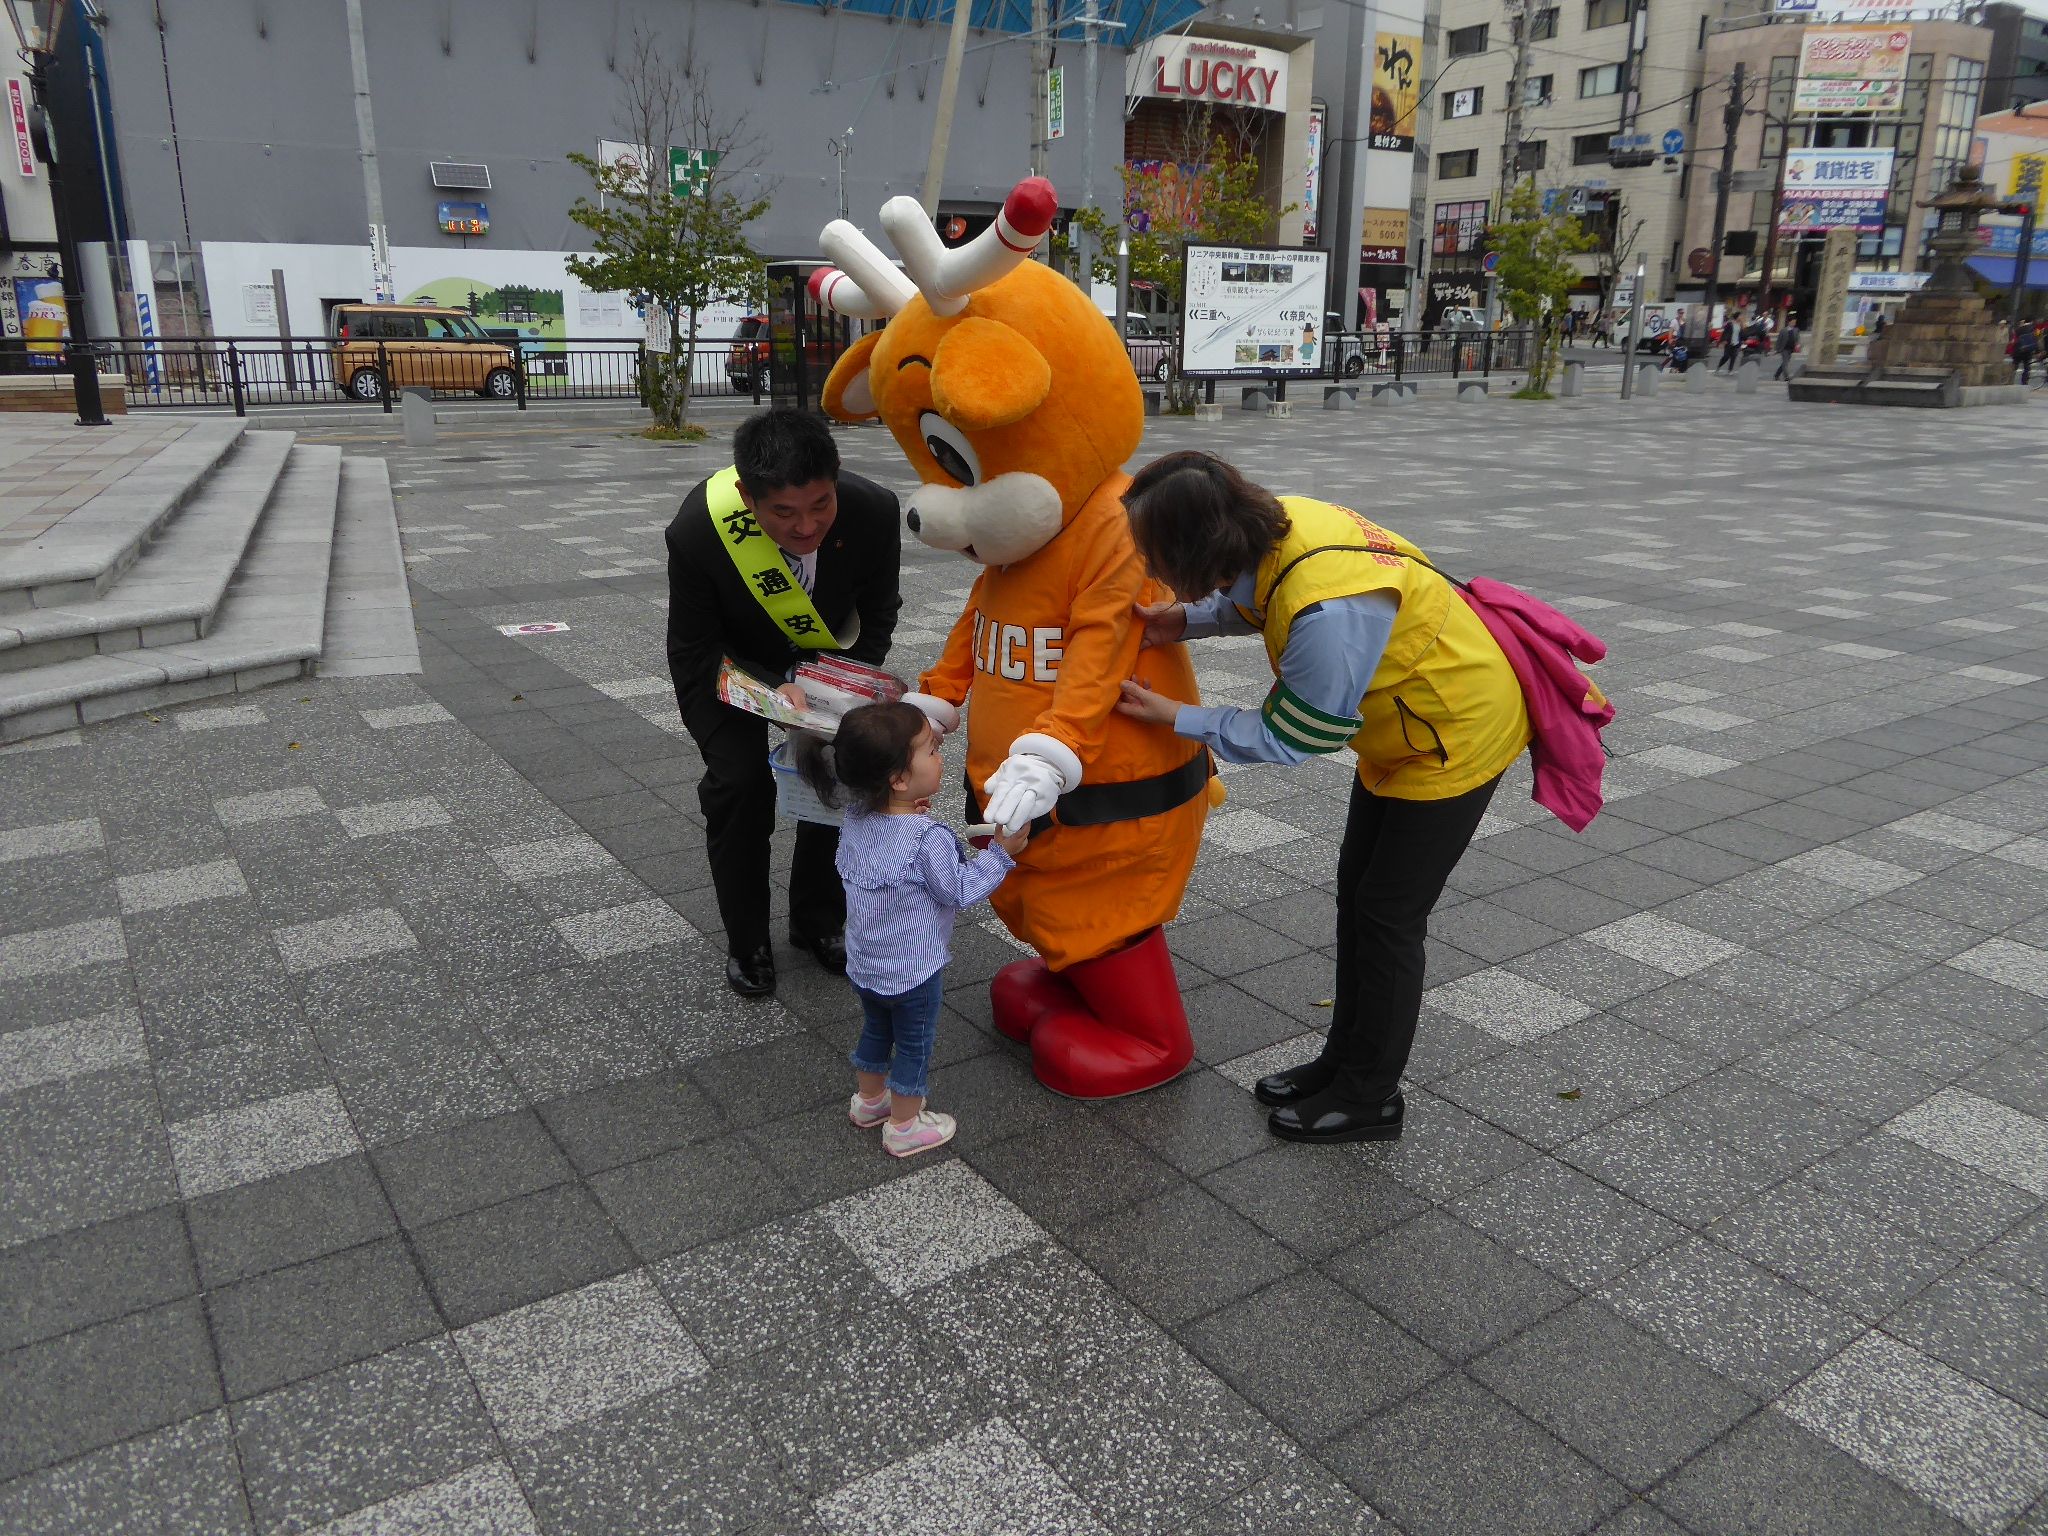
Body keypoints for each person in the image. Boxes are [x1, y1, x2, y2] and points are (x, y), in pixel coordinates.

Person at [1113, 453, 1536, 1144]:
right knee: (1358, 896)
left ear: (1195, 546)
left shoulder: (1326, 612)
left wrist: (1177, 717)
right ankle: (1343, 1062)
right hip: (1405, 722)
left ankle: (1371, 1097)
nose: (1148, 563)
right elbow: (1253, 591)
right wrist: (1183, 623)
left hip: (1455, 730)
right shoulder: (1279, 525)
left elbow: (1296, 734)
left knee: (1389, 918)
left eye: (1155, 551)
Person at [665, 408, 902, 998]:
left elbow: (877, 615)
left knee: (839, 767)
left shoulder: (874, 509)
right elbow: (699, 646)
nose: (806, 527)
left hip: (822, 664)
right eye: (784, 513)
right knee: (740, 783)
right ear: (747, 496)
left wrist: (843, 689)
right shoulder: (699, 529)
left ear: (837, 475)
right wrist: (771, 687)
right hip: (732, 667)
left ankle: (817, 920)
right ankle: (747, 940)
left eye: (821, 505)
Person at [795, 702, 1028, 1157]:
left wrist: (909, 809)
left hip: (866, 961)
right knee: (914, 1045)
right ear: (899, 779)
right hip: (914, 969)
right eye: (930, 750)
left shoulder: (856, 818)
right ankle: (904, 1125)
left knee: (876, 1031)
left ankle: (869, 1102)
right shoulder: (926, 838)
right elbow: (956, 891)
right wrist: (1002, 853)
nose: (941, 757)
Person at [2014, 321, 2038, 385]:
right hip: (2027, 352)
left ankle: (2009, 379)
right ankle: (2024, 382)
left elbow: (2015, 340)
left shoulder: (2018, 329)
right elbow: (2035, 340)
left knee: (2015, 366)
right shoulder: (2034, 329)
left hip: (2018, 350)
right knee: (2026, 367)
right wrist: (2037, 351)